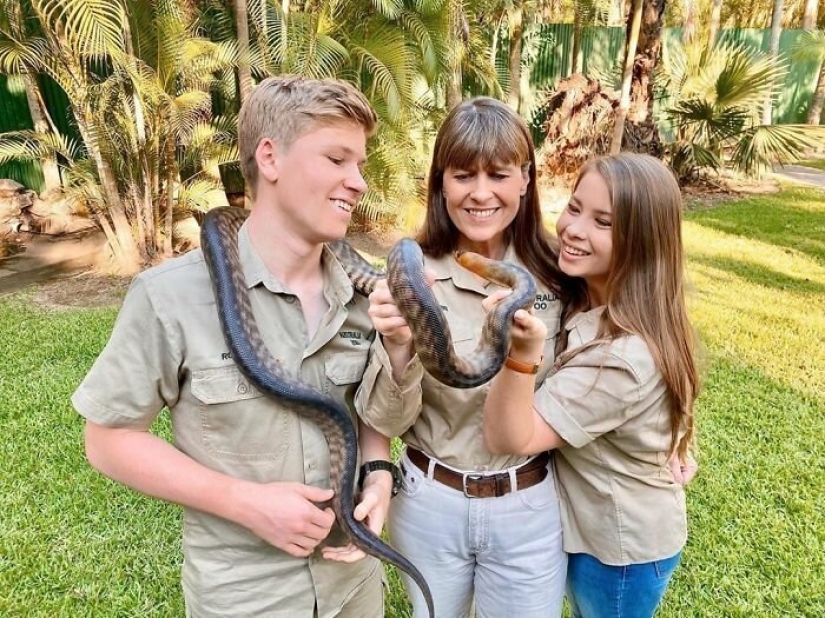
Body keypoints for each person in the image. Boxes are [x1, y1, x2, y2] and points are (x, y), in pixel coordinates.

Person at [72, 76, 399, 618]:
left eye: (359, 165)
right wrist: (245, 503)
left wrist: (379, 471)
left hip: (352, 580)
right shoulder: (171, 295)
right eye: (337, 159)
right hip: (246, 594)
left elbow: (367, 413)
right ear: (269, 157)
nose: (358, 182)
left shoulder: (366, 294)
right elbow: (106, 440)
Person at [356, 97, 576, 618]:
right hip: (431, 501)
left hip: (528, 502)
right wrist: (398, 346)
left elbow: (615, 355)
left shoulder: (561, 276)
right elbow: (386, 420)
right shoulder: (411, 277)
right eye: (462, 175)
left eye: (498, 174)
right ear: (440, 182)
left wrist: (671, 436)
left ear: (525, 179)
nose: (480, 193)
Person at [482, 153, 699, 618]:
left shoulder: (621, 358)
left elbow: (509, 437)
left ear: (640, 243)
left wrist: (520, 355)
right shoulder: (596, 294)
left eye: (603, 221)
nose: (574, 229)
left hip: (617, 553)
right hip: (600, 530)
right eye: (575, 207)